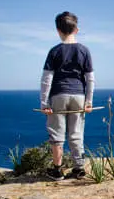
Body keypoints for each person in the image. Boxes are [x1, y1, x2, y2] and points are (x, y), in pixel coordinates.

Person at [40, 11, 95, 180]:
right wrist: (89, 101)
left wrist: (44, 102)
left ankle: (57, 171)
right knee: (76, 133)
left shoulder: (54, 51)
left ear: (58, 30)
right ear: (76, 29)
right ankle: (79, 169)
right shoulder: (84, 50)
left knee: (56, 134)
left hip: (58, 95)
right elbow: (90, 78)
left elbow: (47, 78)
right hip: (78, 95)